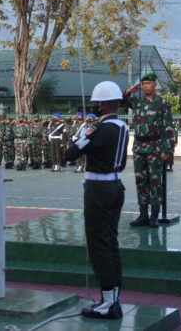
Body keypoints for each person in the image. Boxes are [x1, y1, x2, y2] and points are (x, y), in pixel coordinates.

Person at [64, 81, 129, 320]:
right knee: (110, 242)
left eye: (98, 104)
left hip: (98, 188)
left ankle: (108, 302)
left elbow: (71, 154)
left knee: (98, 244)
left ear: (102, 104)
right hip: (116, 185)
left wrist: (82, 134)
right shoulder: (122, 127)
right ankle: (113, 297)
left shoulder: (101, 129)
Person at [123, 72, 174, 228]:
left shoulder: (162, 103)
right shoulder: (137, 101)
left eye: (148, 83)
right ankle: (143, 214)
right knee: (140, 182)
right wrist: (131, 89)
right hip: (139, 147)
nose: (145, 86)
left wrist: (167, 150)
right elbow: (121, 99)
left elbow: (168, 127)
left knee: (155, 182)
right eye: (143, 84)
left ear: (155, 85)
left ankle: (154, 216)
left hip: (155, 148)